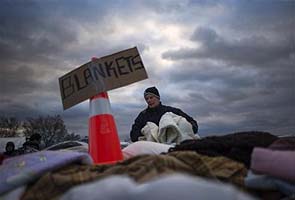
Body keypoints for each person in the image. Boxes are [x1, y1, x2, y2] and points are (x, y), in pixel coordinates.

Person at [130, 86, 198, 142]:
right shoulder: (142, 116)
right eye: (146, 99)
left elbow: (192, 123)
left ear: (158, 98)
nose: (149, 100)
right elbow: (133, 134)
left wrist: (185, 131)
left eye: (151, 97)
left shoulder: (171, 111)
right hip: (152, 149)